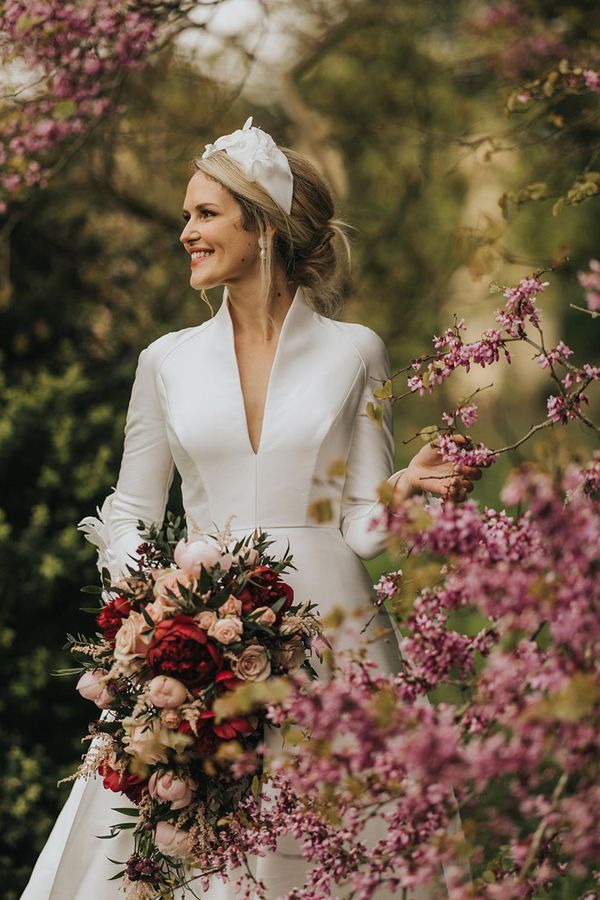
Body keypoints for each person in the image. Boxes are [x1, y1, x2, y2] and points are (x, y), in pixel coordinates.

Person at [21, 117, 480, 900]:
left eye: (206, 214)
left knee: (354, 853)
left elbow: (362, 527)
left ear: (262, 226)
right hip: (201, 644)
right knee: (196, 853)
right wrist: (156, 600)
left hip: (339, 646)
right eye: (187, 215)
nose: (186, 232)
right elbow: (130, 510)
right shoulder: (165, 362)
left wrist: (405, 489)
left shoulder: (356, 350)